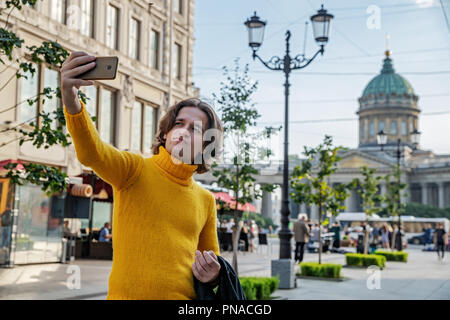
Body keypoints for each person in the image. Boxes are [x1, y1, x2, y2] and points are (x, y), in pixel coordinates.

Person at [61, 51, 224, 300]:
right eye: (179, 124)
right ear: (166, 133)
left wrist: (213, 274)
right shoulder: (133, 170)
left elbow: (210, 267)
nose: (184, 132)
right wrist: (71, 98)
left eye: (196, 128)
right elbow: (92, 153)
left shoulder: (205, 200)